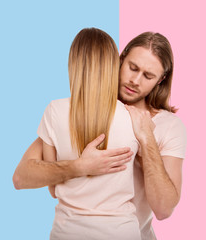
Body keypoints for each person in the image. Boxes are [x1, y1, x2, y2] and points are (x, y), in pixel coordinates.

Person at [13, 31, 187, 240]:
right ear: (119, 61)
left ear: (161, 80)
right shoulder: (78, 113)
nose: (135, 80)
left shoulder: (169, 126)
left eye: (148, 76)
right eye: (132, 68)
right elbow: (22, 176)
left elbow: (164, 209)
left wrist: (146, 138)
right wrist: (79, 166)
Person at [36, 28, 141, 239]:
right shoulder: (134, 116)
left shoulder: (54, 111)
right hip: (122, 232)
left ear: (73, 65)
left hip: (69, 232)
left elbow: (53, 187)